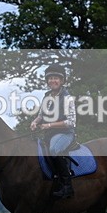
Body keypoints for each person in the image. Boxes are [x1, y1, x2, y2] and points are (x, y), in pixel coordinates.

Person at [30, 63, 76, 199]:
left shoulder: (67, 99)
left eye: (56, 78)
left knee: (54, 149)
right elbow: (41, 115)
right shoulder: (47, 97)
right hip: (48, 134)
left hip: (65, 134)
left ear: (61, 81)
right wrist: (35, 122)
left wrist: (49, 125)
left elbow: (71, 122)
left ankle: (67, 187)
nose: (53, 81)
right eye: (50, 78)